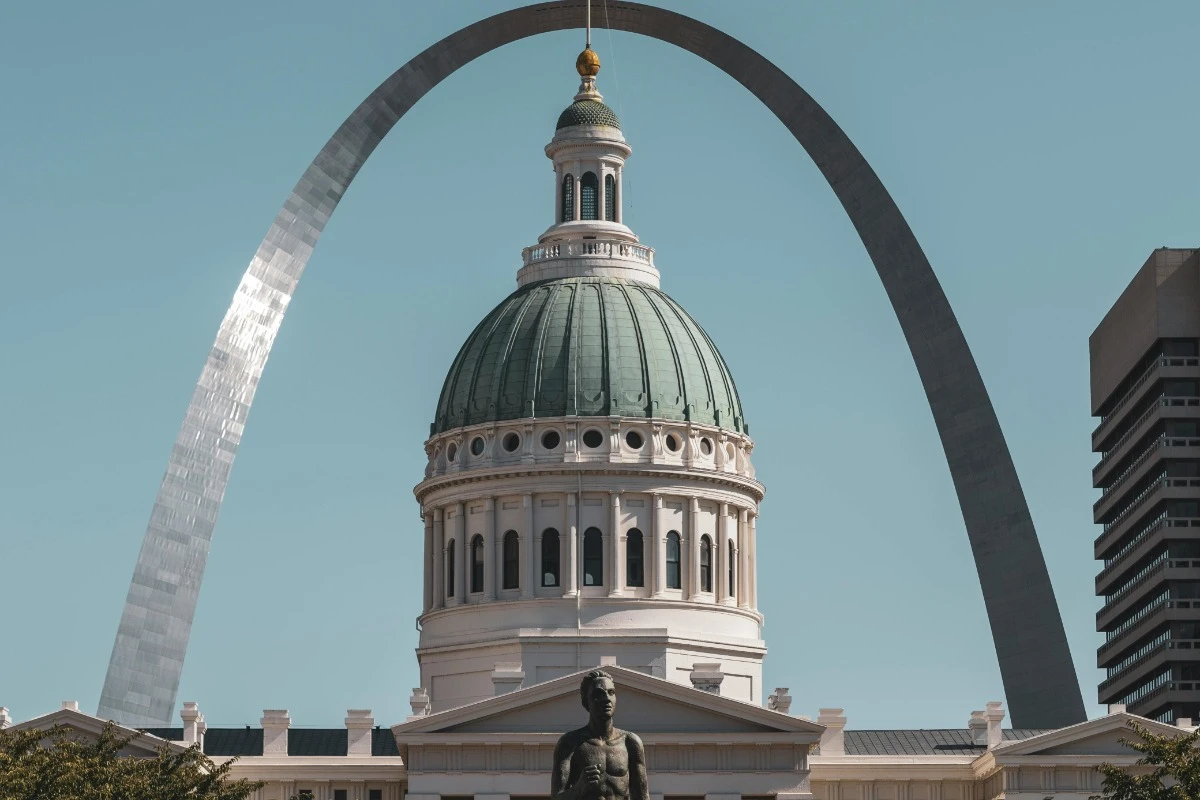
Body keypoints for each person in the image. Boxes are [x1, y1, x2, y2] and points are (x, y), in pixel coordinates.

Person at [551, 670, 649, 800]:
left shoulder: (630, 742)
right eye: (598, 694)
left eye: (611, 693)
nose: (607, 699)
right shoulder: (570, 743)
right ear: (586, 702)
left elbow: (641, 796)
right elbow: (556, 798)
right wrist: (578, 789)